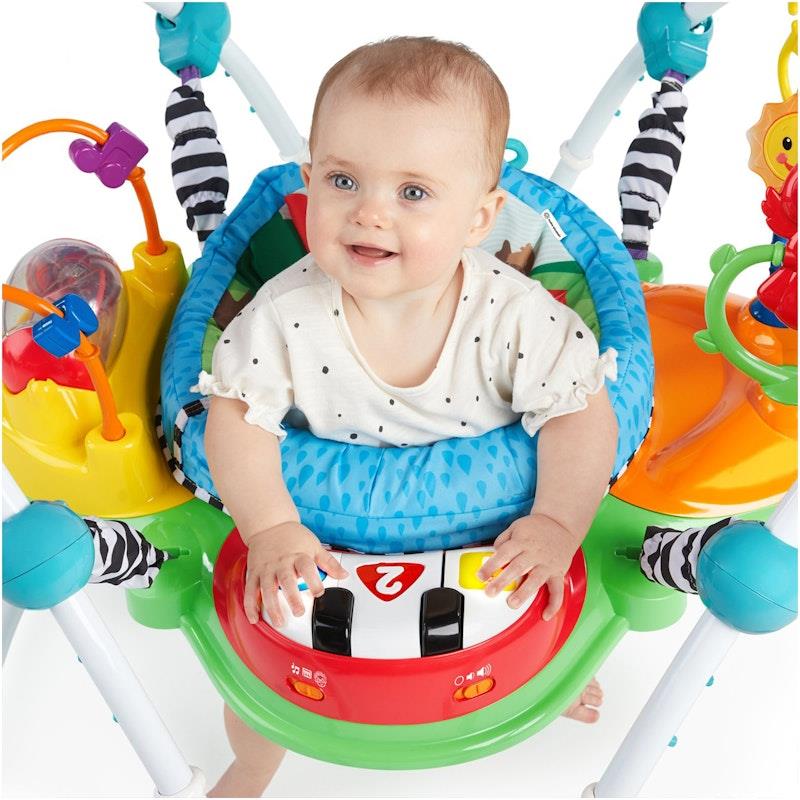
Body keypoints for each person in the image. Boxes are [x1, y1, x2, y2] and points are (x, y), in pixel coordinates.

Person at [197, 36, 617, 798]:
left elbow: (581, 415)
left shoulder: (515, 315)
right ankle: (252, 767)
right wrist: (270, 528)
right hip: (322, 540)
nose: (369, 213)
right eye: (343, 180)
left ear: (479, 218)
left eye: (414, 193)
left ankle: (544, 673)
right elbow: (234, 419)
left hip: (493, 537)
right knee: (261, 667)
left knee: (548, 597)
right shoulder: (283, 315)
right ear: (307, 188)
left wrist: (557, 522)